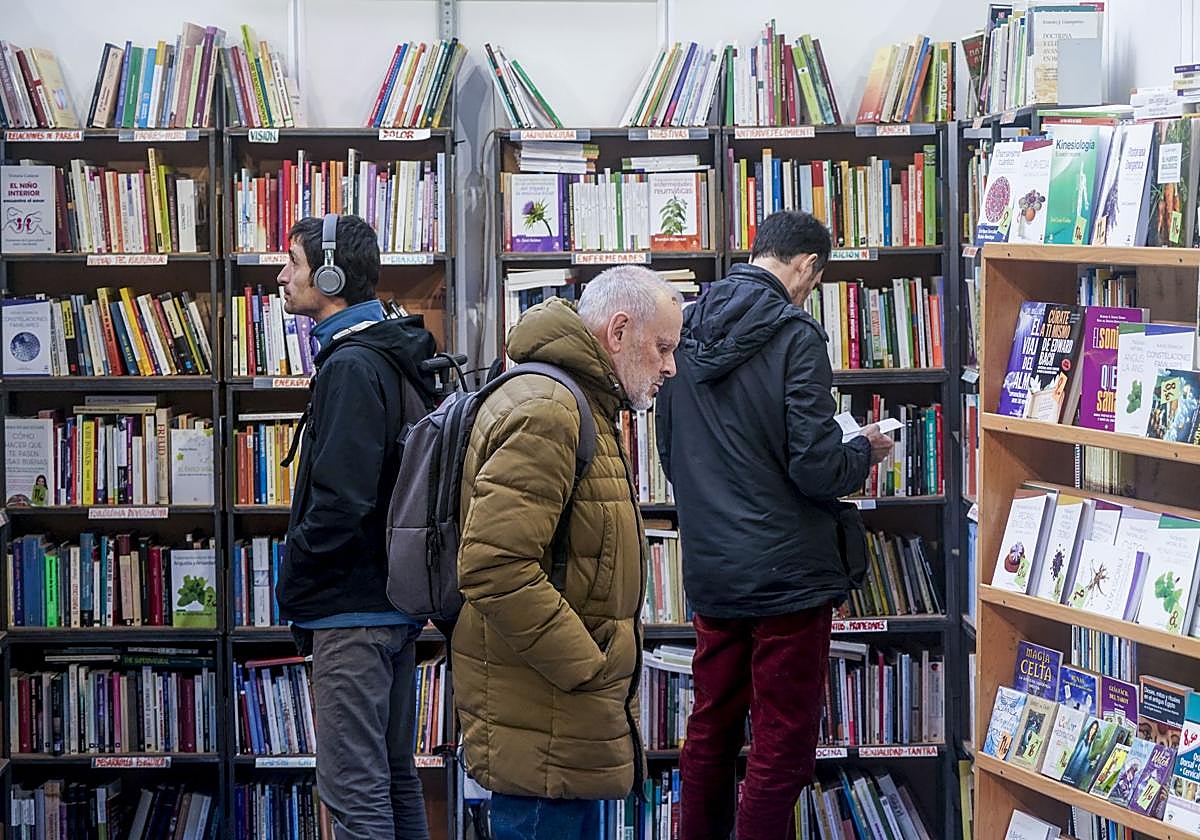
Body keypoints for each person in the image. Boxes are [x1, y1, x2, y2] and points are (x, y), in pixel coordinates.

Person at [655, 210, 894, 840]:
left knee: (709, 726)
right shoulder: (796, 335)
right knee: (782, 744)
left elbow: (670, 450)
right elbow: (816, 467)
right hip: (788, 578)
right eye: (816, 279)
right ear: (809, 267)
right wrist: (863, 449)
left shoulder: (680, 328)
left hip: (712, 569)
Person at [452, 265, 683, 840]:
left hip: (561, 724)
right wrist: (588, 665)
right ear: (619, 330)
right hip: (545, 726)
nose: (670, 366)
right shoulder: (549, 410)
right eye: (662, 347)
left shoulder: (579, 405)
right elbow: (493, 565)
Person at [275, 213, 440, 840]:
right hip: (391, 606)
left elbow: (341, 503)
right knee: (394, 781)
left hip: (350, 611)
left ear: (331, 275)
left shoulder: (350, 367)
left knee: (353, 795)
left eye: (292, 262)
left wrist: (298, 574)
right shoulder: (390, 351)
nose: (282, 275)